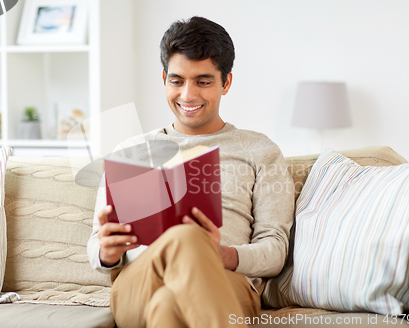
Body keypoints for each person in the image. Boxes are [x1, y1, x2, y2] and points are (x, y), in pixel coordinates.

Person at [87, 16, 295, 328]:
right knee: (185, 237)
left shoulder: (260, 151)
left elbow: (275, 249)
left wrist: (223, 254)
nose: (187, 95)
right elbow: (96, 244)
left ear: (226, 82)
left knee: (169, 305)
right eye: (177, 80)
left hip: (226, 284)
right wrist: (106, 252)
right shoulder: (130, 151)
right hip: (139, 284)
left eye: (203, 81)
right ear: (164, 79)